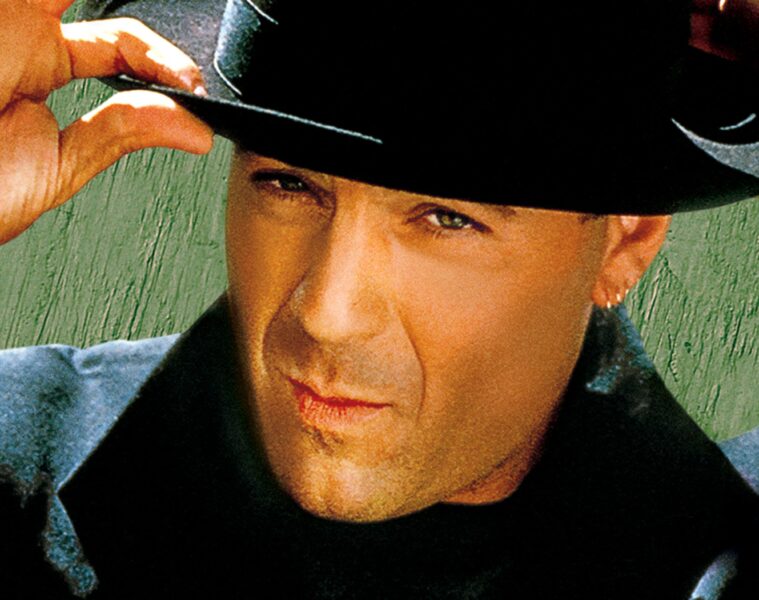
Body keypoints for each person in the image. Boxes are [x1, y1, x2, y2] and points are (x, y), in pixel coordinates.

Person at [1, 0, 758, 598]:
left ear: (626, 241)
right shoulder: (17, 457)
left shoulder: (722, 553)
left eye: (447, 219)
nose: (327, 315)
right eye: (288, 183)